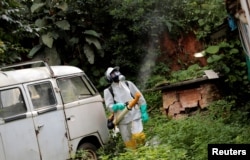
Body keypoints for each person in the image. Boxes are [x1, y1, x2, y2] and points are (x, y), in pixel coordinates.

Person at [103, 66, 149, 149]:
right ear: (109, 78)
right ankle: (135, 156)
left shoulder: (128, 84)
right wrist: (116, 106)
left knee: (139, 136)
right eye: (113, 73)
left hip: (134, 115)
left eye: (116, 72)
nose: (116, 74)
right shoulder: (108, 91)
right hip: (122, 119)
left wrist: (143, 110)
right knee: (129, 143)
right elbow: (109, 106)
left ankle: (145, 151)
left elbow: (139, 97)